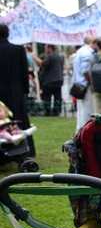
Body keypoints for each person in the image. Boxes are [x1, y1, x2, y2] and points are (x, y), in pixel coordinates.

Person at [0, 24, 36, 156]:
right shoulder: (19, 50)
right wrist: (25, 92)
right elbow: (24, 74)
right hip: (16, 92)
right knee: (19, 122)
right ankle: (24, 151)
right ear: (8, 33)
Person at [72, 36, 96, 130]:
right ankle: (84, 132)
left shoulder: (80, 51)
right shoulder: (87, 52)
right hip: (85, 85)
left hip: (79, 84)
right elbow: (85, 70)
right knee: (87, 111)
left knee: (81, 111)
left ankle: (80, 132)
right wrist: (91, 83)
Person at [38, 45, 64, 116]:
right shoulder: (60, 57)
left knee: (47, 98)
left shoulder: (49, 56)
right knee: (57, 97)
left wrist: (34, 57)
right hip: (59, 80)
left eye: (46, 48)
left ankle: (47, 111)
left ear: (49, 48)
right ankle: (57, 111)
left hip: (49, 81)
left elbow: (43, 64)